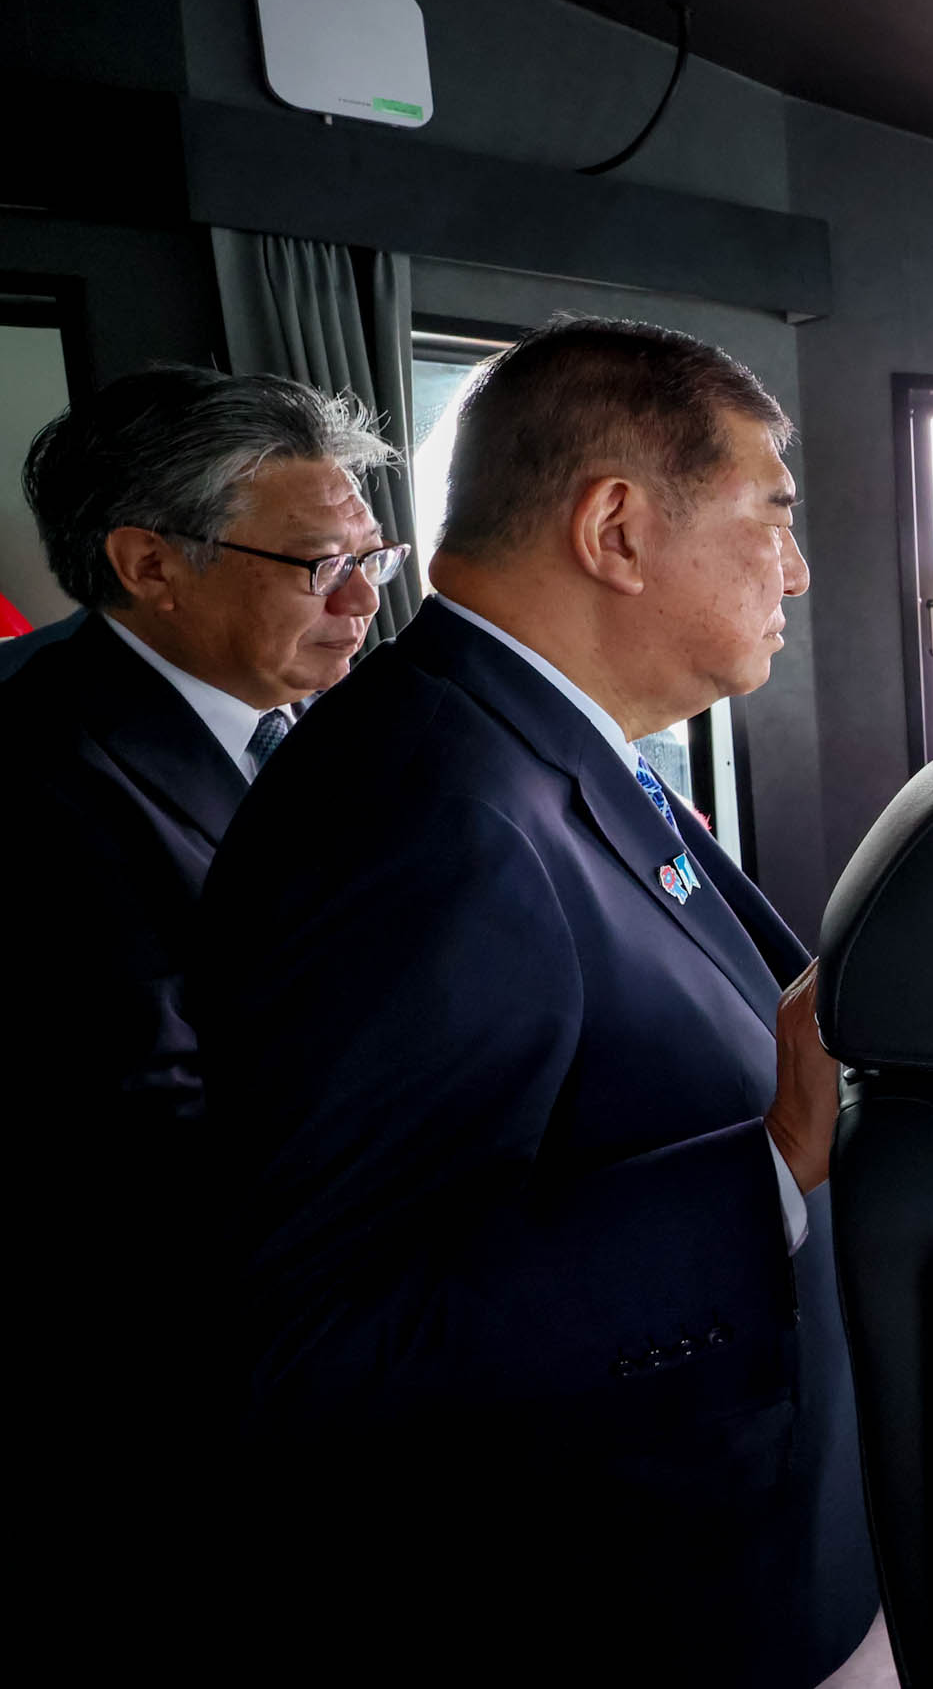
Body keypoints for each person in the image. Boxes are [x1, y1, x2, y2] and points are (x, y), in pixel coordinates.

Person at [194, 318, 874, 1683]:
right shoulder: (422, 806)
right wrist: (768, 1172)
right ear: (617, 528)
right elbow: (328, 1343)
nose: (795, 570)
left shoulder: (539, 746)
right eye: (773, 519)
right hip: (613, 1608)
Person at [0, 364, 400, 1661]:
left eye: (372, 553)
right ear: (148, 562)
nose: (362, 597)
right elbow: (148, 1138)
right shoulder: (42, 774)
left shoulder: (304, 722)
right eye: (318, 563)